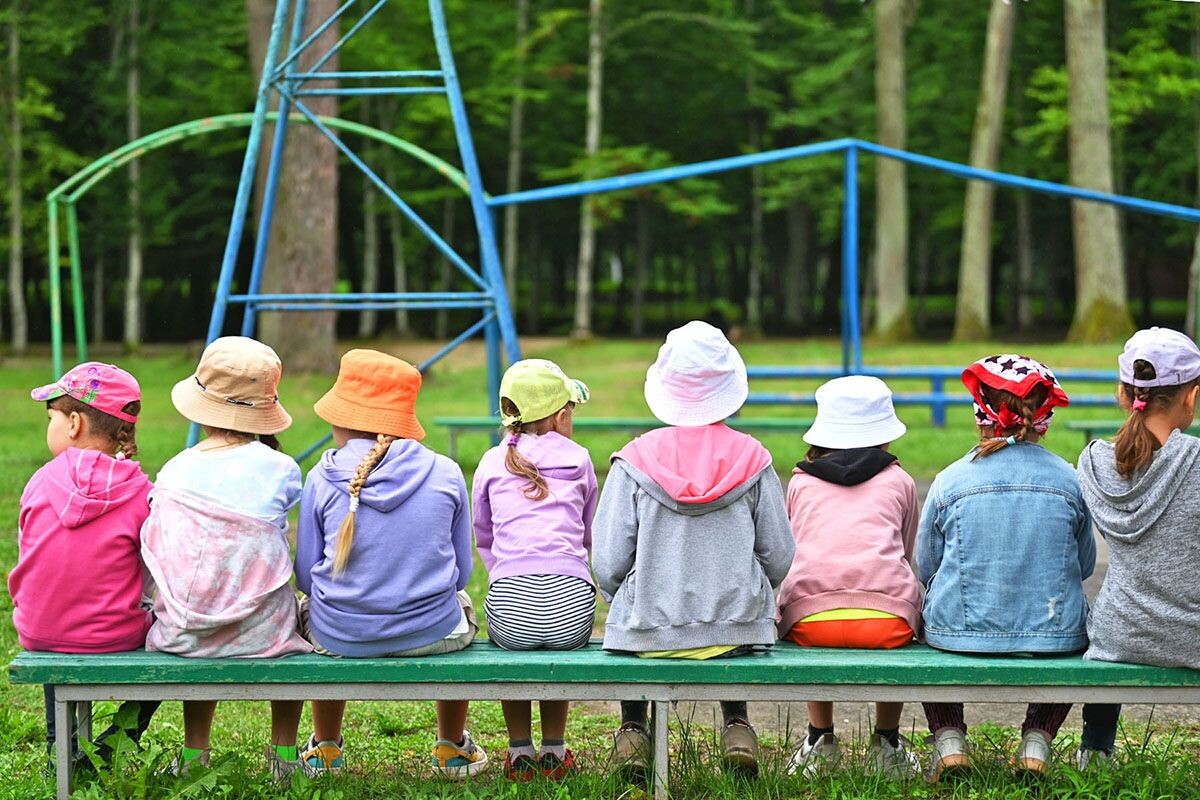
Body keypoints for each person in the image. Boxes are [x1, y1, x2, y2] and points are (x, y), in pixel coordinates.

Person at [592, 320, 795, 781]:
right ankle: (737, 726)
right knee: (726, 638)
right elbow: (779, 554)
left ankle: (633, 730)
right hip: (735, 632)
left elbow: (607, 561)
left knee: (632, 630)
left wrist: (629, 596)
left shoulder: (634, 460)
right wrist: (749, 589)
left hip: (649, 631)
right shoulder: (754, 459)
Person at [294, 350, 486, 779]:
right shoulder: (447, 471)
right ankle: (451, 747)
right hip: (434, 634)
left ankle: (326, 748)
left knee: (317, 606)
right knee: (460, 603)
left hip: (339, 637)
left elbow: (306, 577)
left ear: (342, 418)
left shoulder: (321, 478)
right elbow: (461, 573)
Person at [140, 337, 312, 779]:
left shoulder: (175, 469)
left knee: (206, 593)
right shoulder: (282, 469)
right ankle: (285, 757)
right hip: (263, 634)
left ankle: (194, 755)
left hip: (186, 634)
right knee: (290, 610)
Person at [918, 354, 1094, 780]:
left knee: (926, 617)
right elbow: (1086, 564)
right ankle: (1036, 742)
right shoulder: (1071, 481)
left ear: (980, 415)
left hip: (958, 635)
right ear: (1043, 419)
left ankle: (949, 741)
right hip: (1053, 635)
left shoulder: (949, 480)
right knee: (1077, 624)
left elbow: (926, 565)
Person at [9, 362, 159, 767]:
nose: (51, 426)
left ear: (74, 423)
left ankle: (59, 744)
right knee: (173, 637)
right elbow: (153, 572)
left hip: (38, 630)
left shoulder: (39, 481)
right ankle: (115, 743)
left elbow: (31, 556)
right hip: (115, 635)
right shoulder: (142, 492)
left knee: (56, 616)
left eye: (52, 417)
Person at [776, 376, 921, 778]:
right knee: (897, 599)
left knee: (811, 606)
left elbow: (793, 549)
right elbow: (906, 552)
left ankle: (819, 737)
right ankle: (887, 742)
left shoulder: (801, 482)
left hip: (808, 621)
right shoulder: (900, 481)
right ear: (884, 434)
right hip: (888, 622)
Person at [1076, 327, 1200, 768]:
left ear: (1124, 394)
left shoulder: (1093, 462)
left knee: (1108, 616)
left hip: (1119, 633)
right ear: (1191, 396)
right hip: (1193, 635)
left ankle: (1095, 751)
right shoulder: (1196, 461)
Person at [473, 359, 598, 781]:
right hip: (572, 609)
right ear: (561, 416)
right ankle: (555, 750)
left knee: (515, 652)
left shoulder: (492, 461)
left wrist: (506, 573)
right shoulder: (580, 459)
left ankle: (519, 752)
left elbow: (484, 534)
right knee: (555, 649)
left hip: (510, 608)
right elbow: (587, 533)